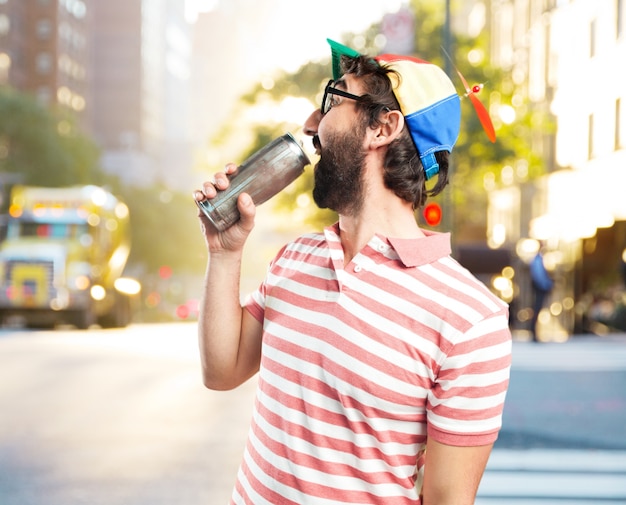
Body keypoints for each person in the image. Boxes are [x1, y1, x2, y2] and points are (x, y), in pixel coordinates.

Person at [194, 39, 512, 505]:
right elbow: (222, 372)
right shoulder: (295, 258)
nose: (308, 124)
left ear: (383, 127)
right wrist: (224, 253)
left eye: (332, 98)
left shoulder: (471, 319)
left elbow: (447, 499)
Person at [529, 246, 553, 342]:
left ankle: (534, 332)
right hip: (540, 288)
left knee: (537, 310)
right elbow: (539, 276)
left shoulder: (538, 260)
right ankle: (533, 332)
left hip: (540, 287)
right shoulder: (538, 260)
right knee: (536, 310)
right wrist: (547, 285)